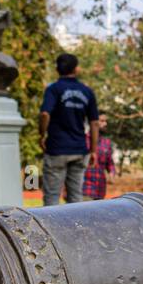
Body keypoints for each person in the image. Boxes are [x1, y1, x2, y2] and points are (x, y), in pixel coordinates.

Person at [39, 53, 99, 206]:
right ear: (76, 69)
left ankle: (50, 229)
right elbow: (94, 123)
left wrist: (42, 135)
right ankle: (76, 229)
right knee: (76, 197)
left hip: (56, 149)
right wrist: (93, 150)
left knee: (52, 196)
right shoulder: (87, 92)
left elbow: (45, 114)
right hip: (79, 150)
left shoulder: (53, 89)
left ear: (57, 69)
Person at [83, 111, 117, 201]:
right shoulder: (81, 141)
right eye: (102, 121)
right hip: (84, 191)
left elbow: (110, 163)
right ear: (93, 122)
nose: (105, 124)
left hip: (100, 192)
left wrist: (112, 173)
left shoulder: (107, 143)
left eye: (106, 121)